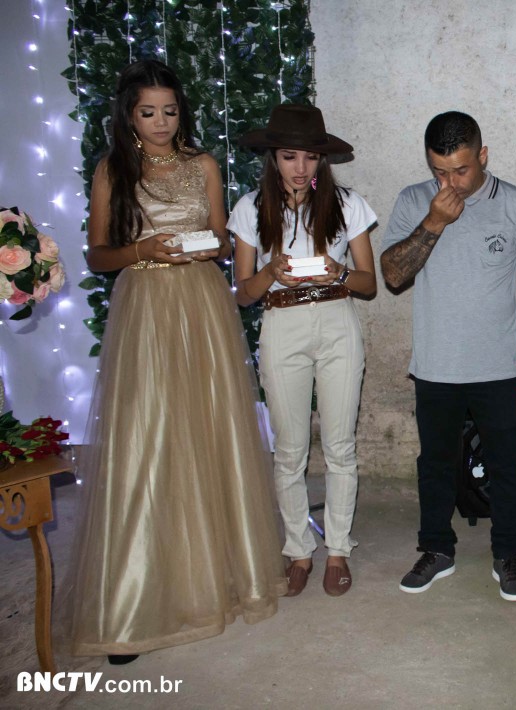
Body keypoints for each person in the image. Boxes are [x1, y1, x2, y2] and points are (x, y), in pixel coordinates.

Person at [65, 59, 285, 664]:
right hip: (144, 306)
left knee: (209, 431)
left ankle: (223, 578)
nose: (161, 122)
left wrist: (205, 246)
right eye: (148, 112)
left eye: (169, 110)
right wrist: (142, 249)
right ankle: (135, 601)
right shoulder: (112, 169)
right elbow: (98, 255)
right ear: (129, 115)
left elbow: (222, 239)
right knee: (148, 437)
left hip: (202, 303)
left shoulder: (204, 165)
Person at [380, 111, 516, 601]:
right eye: (439, 171)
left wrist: (501, 304)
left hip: (497, 364)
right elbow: (393, 275)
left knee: (507, 464)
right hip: (436, 364)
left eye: (461, 170)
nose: (450, 182)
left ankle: (509, 553)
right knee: (435, 463)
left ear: (483, 156)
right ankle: (436, 549)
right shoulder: (415, 200)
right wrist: (434, 221)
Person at [229, 104, 377, 598]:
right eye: (290, 156)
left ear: (322, 160)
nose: (300, 166)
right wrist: (270, 271)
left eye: (310, 157)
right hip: (282, 323)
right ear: (273, 156)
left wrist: (340, 272)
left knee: (340, 446)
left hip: (337, 320)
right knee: (290, 449)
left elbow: (369, 283)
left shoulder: (347, 203)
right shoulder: (251, 208)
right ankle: (298, 550)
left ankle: (337, 549)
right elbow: (243, 293)